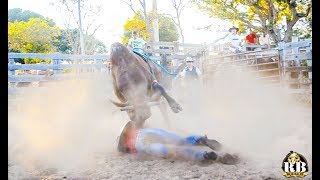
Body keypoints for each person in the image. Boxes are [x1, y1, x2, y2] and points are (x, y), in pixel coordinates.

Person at [117, 121, 239, 164]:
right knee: (180, 141)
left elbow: (133, 152)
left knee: (175, 151)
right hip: (150, 132)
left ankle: (204, 155)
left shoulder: (128, 146)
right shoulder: (139, 129)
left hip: (143, 144)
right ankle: (201, 139)